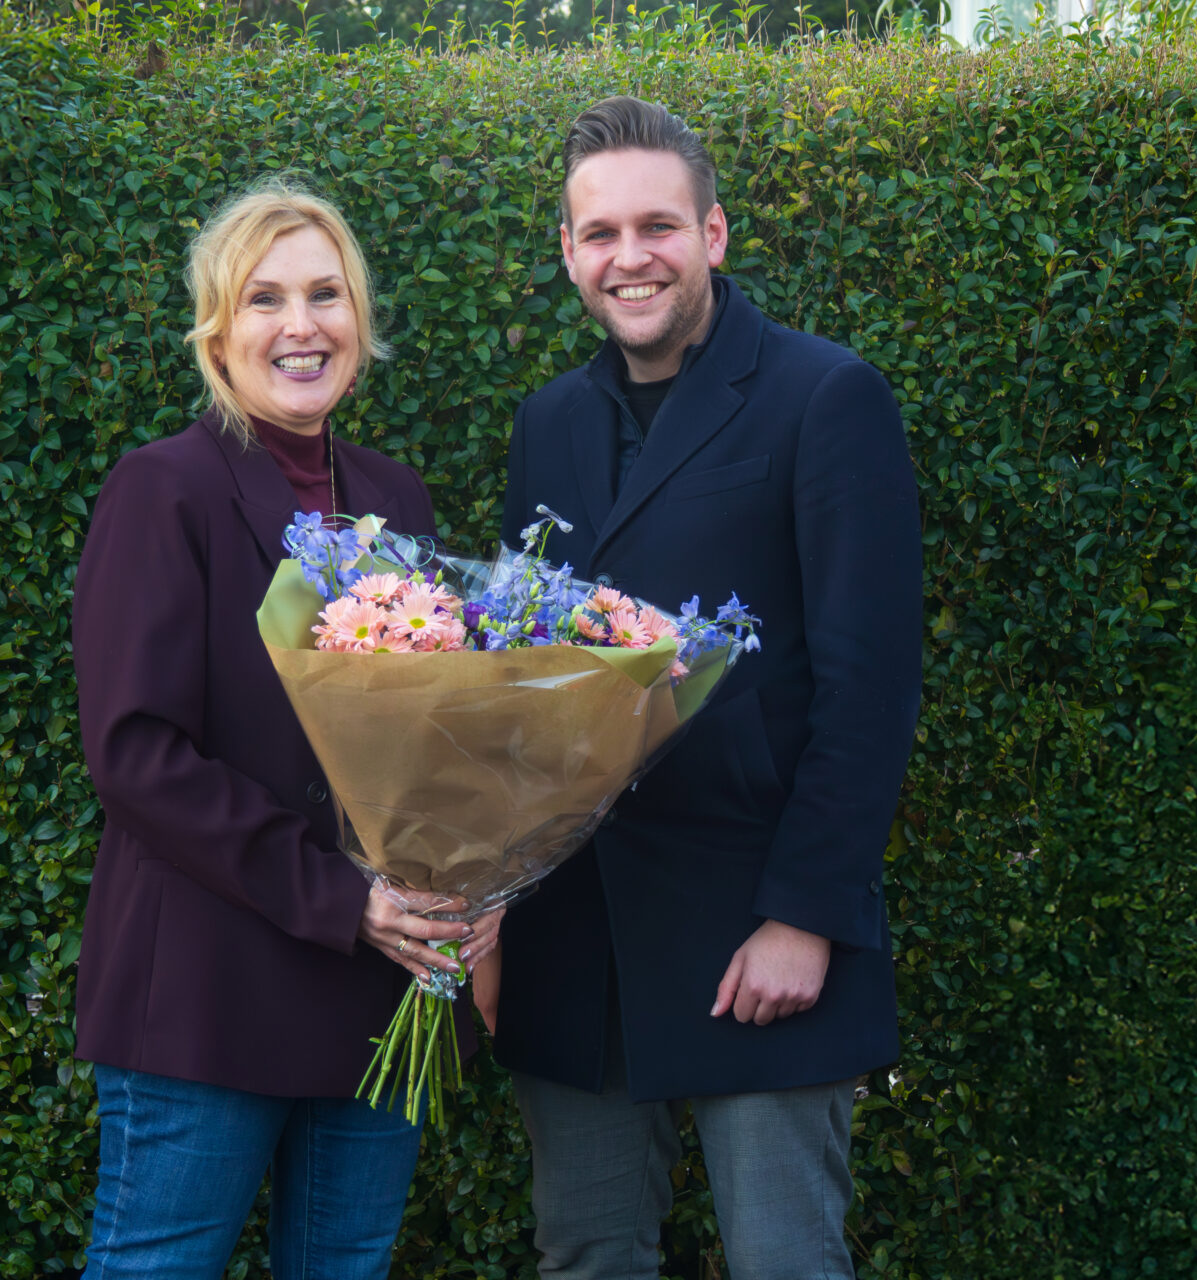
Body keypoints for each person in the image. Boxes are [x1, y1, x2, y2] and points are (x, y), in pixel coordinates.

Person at [477, 97, 922, 1280]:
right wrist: (485, 898)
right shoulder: (547, 424)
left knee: (786, 1262)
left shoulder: (825, 397)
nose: (633, 256)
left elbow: (870, 686)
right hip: (579, 937)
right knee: (586, 1258)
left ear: (714, 233)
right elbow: (531, 678)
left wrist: (807, 913)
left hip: (757, 934)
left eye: (658, 225)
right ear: (569, 253)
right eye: (601, 232)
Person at [71, 176, 496, 1280]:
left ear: (361, 318)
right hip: (208, 996)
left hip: (373, 990)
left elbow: (424, 735)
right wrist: (346, 898)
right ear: (217, 329)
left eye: (326, 294)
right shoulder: (162, 491)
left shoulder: (395, 501)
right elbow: (137, 756)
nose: (300, 326)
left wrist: (474, 876)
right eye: (264, 298)